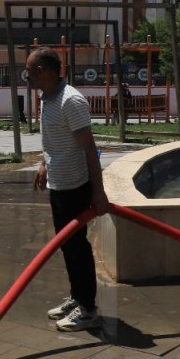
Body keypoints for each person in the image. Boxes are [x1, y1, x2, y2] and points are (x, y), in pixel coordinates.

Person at [27, 47, 109, 331]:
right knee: (66, 245)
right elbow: (53, 139)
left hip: (75, 184)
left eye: (29, 70)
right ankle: (77, 297)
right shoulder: (47, 98)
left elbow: (90, 149)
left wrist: (98, 193)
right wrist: (43, 164)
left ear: (42, 71)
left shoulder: (70, 101)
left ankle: (88, 308)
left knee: (77, 247)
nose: (26, 76)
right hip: (58, 183)